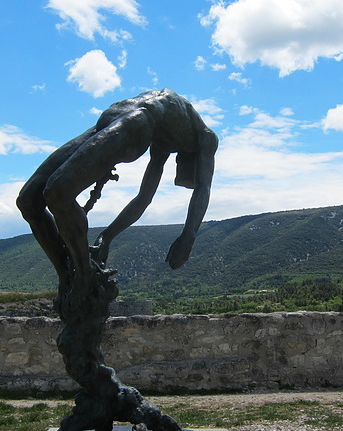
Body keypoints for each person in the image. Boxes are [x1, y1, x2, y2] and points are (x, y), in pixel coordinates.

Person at [17, 89, 218, 302]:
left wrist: (107, 236)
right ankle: (78, 276)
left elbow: (143, 198)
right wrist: (188, 237)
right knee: (39, 199)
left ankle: (75, 275)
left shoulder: (166, 136)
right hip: (134, 122)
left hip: (114, 115)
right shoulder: (205, 137)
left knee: (36, 198)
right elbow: (203, 189)